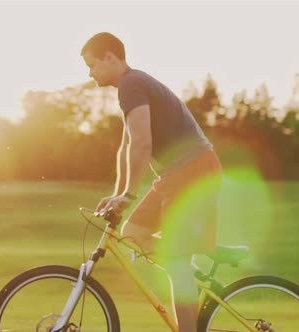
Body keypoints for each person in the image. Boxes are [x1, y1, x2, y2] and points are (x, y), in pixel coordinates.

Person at [81, 32, 223, 332]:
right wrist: (119, 194)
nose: (90, 73)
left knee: (176, 260)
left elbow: (142, 145)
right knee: (132, 233)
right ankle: (191, 273)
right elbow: (126, 147)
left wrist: (130, 195)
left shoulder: (132, 83)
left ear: (110, 57)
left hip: (193, 169)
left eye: (92, 65)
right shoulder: (131, 87)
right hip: (176, 174)